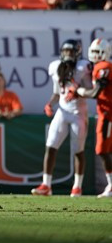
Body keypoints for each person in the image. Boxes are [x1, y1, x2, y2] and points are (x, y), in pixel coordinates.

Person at [32, 39, 92, 197]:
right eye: (65, 52)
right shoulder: (56, 67)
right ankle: (46, 185)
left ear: (77, 53)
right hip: (62, 111)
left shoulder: (83, 67)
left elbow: (92, 90)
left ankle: (77, 187)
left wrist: (78, 91)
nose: (68, 55)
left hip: (78, 112)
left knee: (78, 150)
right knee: (50, 146)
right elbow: (58, 93)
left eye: (71, 52)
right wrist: (50, 103)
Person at [71, 38, 112, 197]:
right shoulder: (100, 67)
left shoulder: (104, 67)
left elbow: (96, 93)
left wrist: (79, 91)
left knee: (102, 150)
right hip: (106, 112)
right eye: (93, 51)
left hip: (108, 113)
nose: (95, 55)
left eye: (98, 51)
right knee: (104, 150)